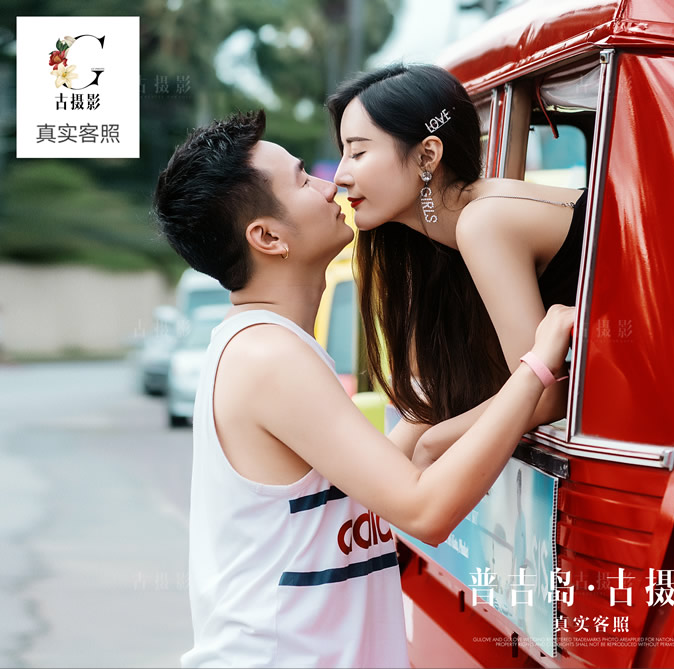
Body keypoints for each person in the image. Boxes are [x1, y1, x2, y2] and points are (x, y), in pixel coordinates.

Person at [151, 109, 575, 668]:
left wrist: (432, 416)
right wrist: (538, 367)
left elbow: (362, 492)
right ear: (268, 237)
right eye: (303, 179)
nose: (330, 185)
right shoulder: (267, 356)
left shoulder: (267, 345)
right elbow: (423, 510)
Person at [326, 63, 587, 464]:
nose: (340, 176)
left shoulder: (483, 222)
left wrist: (432, 443)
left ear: (427, 155)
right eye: (343, 154)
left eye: (358, 152)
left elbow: (545, 394)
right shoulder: (440, 243)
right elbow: (458, 393)